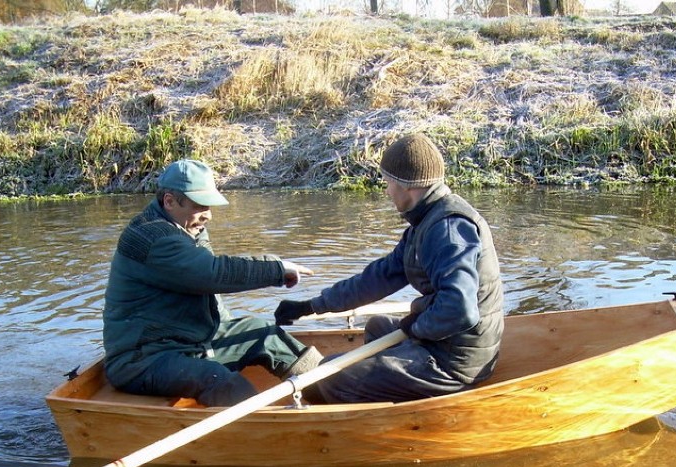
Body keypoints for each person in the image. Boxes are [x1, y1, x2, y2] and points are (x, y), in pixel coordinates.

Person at [274, 133, 504, 403]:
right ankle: (390, 397)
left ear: (407, 186)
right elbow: (379, 277)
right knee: (377, 326)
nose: (386, 191)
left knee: (330, 377)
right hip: (443, 342)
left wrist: (416, 328)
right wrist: (312, 306)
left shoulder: (447, 229)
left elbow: (460, 310)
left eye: (387, 182)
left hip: (456, 360)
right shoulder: (427, 221)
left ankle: (366, 421)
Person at [103, 159, 323, 407]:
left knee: (266, 336)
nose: (208, 214)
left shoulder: (189, 227)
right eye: (199, 206)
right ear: (169, 201)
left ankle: (336, 391)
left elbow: (210, 289)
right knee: (221, 381)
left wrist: (232, 329)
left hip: (189, 342)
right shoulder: (151, 237)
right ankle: (268, 434)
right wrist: (276, 269)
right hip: (143, 359)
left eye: (208, 205)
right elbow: (212, 274)